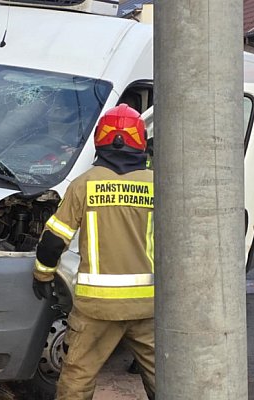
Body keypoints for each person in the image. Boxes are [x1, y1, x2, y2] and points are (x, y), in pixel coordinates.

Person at [32, 103, 155, 400]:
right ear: (140, 141)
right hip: (147, 306)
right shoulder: (157, 184)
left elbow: (53, 242)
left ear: (101, 139)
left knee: (77, 377)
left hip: (96, 308)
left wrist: (42, 276)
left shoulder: (84, 185)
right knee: (170, 377)